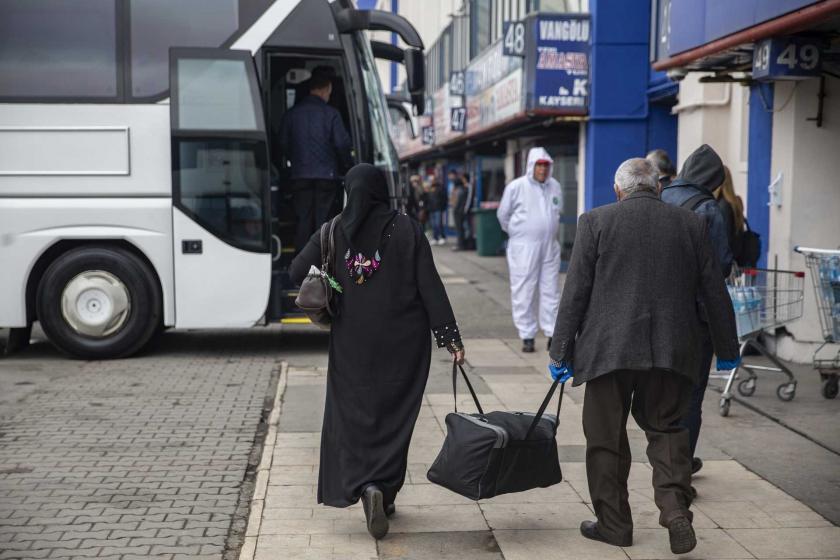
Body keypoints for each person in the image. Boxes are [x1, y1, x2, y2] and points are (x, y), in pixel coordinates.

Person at [548, 158, 740, 555]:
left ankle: (613, 525)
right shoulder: (691, 224)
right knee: (668, 430)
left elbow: (576, 293)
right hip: (672, 349)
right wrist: (727, 349)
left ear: (618, 190)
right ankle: (675, 512)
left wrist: (560, 350)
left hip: (608, 351)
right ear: (658, 186)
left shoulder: (595, 221)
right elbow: (714, 291)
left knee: (605, 439)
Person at [289, 164, 465, 540]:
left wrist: (332, 278)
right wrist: (450, 338)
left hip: (352, 344)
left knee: (354, 416)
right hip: (404, 346)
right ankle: (383, 490)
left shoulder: (333, 229)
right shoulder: (407, 229)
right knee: (394, 416)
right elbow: (430, 286)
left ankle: (365, 486)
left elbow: (295, 272)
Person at [660, 144, 733, 476]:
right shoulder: (709, 209)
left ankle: (664, 458)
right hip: (694, 319)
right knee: (690, 394)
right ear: (712, 179)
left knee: (661, 391)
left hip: (657, 314)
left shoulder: (659, 198)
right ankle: (681, 465)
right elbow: (718, 270)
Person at [279, 68, 354, 254]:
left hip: (299, 175)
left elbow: (282, 143)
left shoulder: (292, 114)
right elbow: (342, 145)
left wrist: (294, 161)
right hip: (326, 177)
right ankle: (322, 265)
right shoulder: (332, 114)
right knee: (324, 221)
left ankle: (301, 266)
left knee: (303, 220)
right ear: (325, 89)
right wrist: (348, 166)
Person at [497, 147, 563, 353]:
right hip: (524, 247)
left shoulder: (555, 186)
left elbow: (557, 211)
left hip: (550, 246)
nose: (542, 170)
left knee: (551, 290)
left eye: (546, 166)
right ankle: (527, 335)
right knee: (524, 290)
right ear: (531, 166)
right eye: (539, 166)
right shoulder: (516, 187)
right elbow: (503, 216)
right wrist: (520, 234)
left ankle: (552, 332)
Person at [715, 166, 746, 260]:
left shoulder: (722, 206)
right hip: (733, 259)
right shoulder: (734, 203)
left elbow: (724, 239)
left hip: (724, 263)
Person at [425, 179, 447, 245]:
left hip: (438, 209)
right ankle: (435, 238)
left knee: (438, 224)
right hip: (432, 209)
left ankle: (441, 237)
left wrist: (442, 208)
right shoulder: (429, 190)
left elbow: (444, 199)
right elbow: (427, 200)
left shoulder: (440, 189)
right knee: (434, 225)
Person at [450, 175, 469, 250]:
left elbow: (456, 202)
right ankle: (461, 244)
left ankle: (460, 245)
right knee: (461, 229)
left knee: (459, 229)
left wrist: (454, 208)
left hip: (458, 212)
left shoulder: (459, 191)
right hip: (461, 211)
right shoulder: (464, 189)